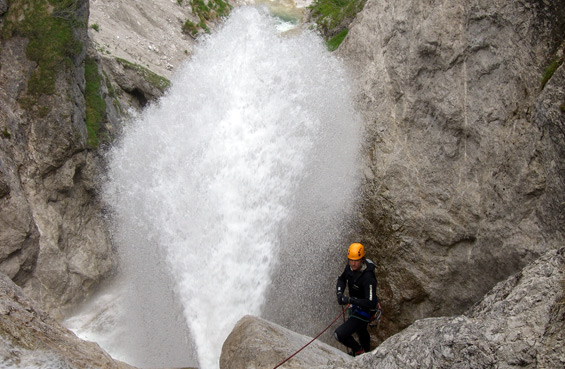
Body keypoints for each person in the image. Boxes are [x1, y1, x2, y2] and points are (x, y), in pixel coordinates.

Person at [334, 242, 378, 356]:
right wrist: (339, 293)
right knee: (361, 331)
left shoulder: (368, 277)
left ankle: (359, 351)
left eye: (356, 260)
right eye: (350, 260)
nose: (353, 263)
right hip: (355, 306)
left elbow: (371, 303)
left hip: (365, 310)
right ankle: (366, 354)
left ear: (362, 259)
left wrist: (350, 300)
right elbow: (342, 279)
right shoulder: (349, 268)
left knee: (339, 334)